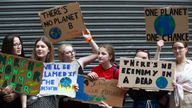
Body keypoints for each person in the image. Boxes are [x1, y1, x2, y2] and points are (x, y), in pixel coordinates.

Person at [58, 29, 99, 108]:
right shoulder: (57, 68)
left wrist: (89, 39)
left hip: (81, 102)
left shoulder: (80, 62)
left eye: (73, 51)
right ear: (62, 55)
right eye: (68, 52)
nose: (72, 53)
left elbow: (97, 53)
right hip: (66, 103)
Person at [127, 40, 169, 108]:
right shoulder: (131, 76)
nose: (141, 60)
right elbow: (133, 96)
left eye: (144, 58)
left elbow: (156, 64)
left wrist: (158, 49)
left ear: (149, 60)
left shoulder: (156, 74)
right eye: (138, 58)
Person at [27, 37, 56, 108]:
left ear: (49, 49)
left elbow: (59, 91)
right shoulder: (28, 66)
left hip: (50, 104)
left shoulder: (55, 68)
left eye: (42, 46)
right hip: (33, 104)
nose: (39, 49)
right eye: (37, 47)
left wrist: (71, 88)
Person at [0, 34, 25, 108]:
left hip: (18, 102)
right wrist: (1, 91)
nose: (19, 47)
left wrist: (16, 95)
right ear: (8, 47)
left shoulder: (26, 63)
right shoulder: (2, 62)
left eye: (20, 44)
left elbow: (30, 85)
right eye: (15, 45)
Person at [171, 41, 192, 108]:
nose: (177, 50)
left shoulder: (191, 65)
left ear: (186, 49)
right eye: (174, 48)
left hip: (188, 98)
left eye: (180, 48)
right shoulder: (169, 66)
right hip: (173, 98)